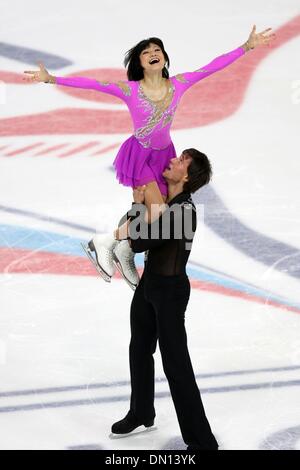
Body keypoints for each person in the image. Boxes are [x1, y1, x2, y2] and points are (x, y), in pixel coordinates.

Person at [23, 26, 276, 290]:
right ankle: (106, 241)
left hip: (166, 155)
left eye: (157, 49)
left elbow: (212, 67)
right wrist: (51, 79)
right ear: (140, 62)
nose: (153, 53)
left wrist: (246, 47)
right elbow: (94, 85)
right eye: (147, 52)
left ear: (164, 58)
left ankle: (124, 251)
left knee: (153, 210)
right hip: (140, 156)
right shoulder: (130, 90)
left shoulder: (178, 84)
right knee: (158, 212)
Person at [111, 148, 218, 450]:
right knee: (139, 348)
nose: (173, 160)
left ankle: (202, 441)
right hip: (150, 287)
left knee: (176, 365)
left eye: (181, 160)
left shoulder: (184, 212)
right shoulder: (166, 203)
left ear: (187, 175)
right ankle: (141, 411)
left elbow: (139, 241)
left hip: (170, 293)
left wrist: (136, 202)